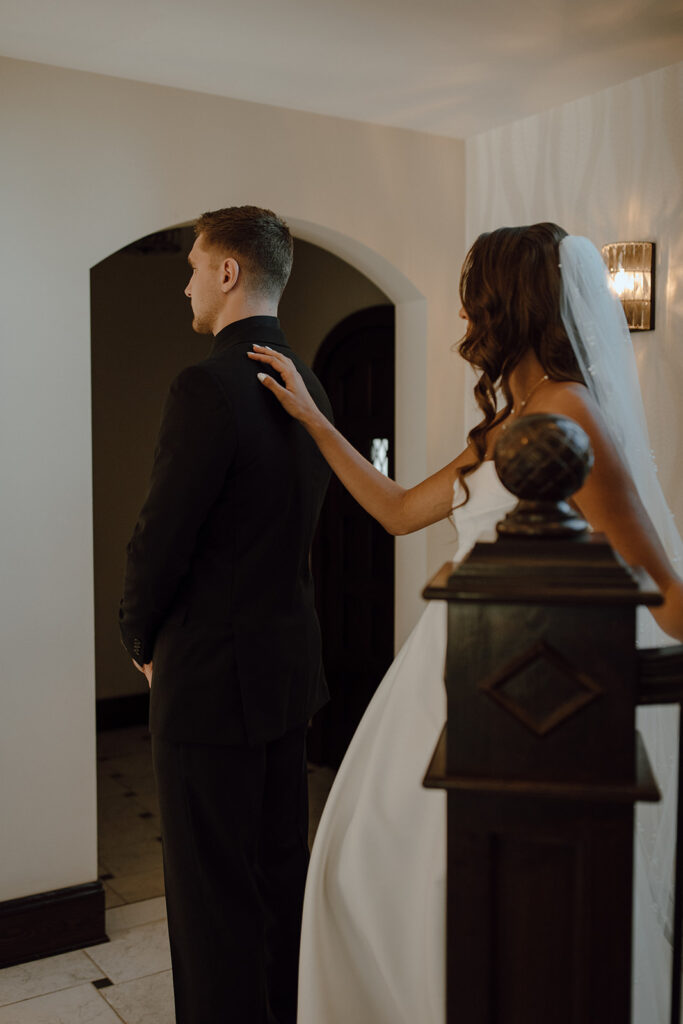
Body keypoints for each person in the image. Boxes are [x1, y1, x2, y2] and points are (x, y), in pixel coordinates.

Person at [248, 223, 683, 1024]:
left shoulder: (572, 420)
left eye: (471, 301)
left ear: (506, 306)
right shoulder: (503, 425)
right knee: (362, 873)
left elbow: (665, 592)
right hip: (440, 684)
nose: (461, 320)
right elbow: (396, 510)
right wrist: (315, 422)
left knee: (445, 902)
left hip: (521, 699)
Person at [119, 205, 333, 1024]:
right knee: (278, 882)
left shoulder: (205, 385)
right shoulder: (308, 381)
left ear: (228, 272)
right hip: (285, 674)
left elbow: (159, 537)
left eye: (192, 267)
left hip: (208, 680)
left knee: (211, 906)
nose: (184, 285)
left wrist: (139, 637)